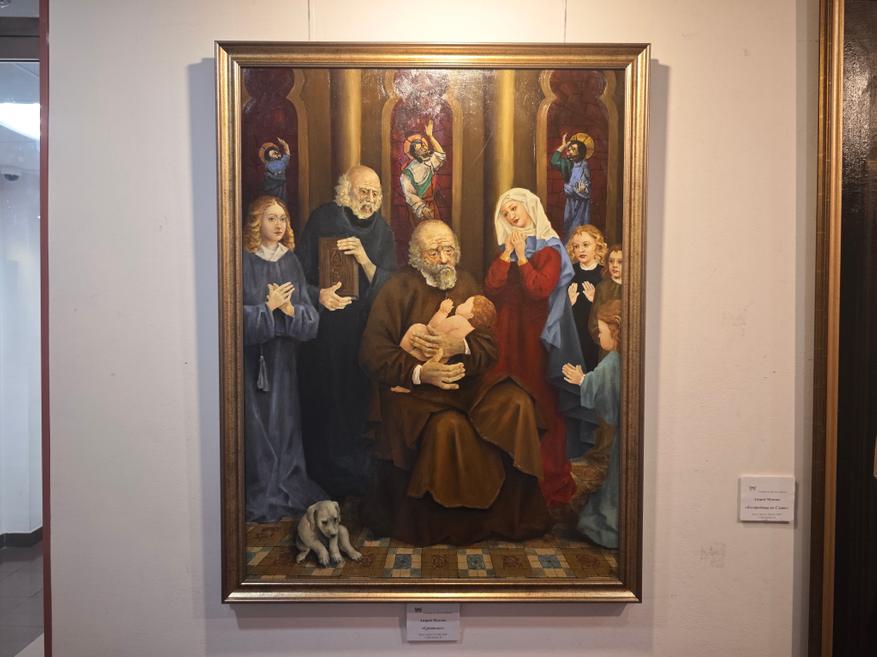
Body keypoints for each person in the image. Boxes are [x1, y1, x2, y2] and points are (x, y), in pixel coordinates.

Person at [359, 220, 552, 546]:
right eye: (434, 251)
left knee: (516, 403)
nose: (444, 258)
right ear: (417, 256)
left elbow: (488, 347)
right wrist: (421, 372)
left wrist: (459, 345)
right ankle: (451, 525)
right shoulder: (397, 288)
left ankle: (514, 514)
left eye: (449, 250)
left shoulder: (465, 283)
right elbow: (372, 353)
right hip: (417, 397)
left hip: (467, 388)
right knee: (449, 427)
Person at [297, 165, 397, 499]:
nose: (369, 199)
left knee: (354, 404)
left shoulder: (383, 231)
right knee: (322, 401)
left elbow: (390, 288)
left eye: (375, 193)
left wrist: (364, 260)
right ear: (346, 191)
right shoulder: (323, 218)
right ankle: (319, 482)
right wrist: (319, 295)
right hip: (322, 333)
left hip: (362, 332)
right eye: (363, 191)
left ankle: (351, 485)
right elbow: (297, 274)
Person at [484, 188, 577, 507]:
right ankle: (508, 475)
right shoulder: (508, 248)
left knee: (541, 401)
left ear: (529, 208)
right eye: (505, 212)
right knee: (505, 396)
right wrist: (507, 255)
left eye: (514, 209)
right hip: (507, 332)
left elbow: (538, 289)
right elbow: (492, 287)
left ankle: (545, 479)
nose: (511, 216)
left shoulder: (550, 249)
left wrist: (522, 257)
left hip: (535, 337)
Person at [242, 195, 326, 522]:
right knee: (256, 427)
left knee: (285, 425)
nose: (279, 225)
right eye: (271, 218)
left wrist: (290, 310)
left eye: (282, 219)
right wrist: (268, 309)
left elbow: (309, 317)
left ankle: (286, 486)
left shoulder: (290, 260)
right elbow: (231, 316)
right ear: (256, 223)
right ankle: (264, 490)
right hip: (252, 361)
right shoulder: (244, 261)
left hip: (283, 361)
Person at [562, 300, 622, 549]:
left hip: (623, 441)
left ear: (616, 331)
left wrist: (581, 380)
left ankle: (609, 526)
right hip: (623, 438)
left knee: (617, 487)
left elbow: (603, 387)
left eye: (602, 330)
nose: (598, 335)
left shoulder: (613, 361)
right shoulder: (621, 357)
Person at [566, 225, 607, 372]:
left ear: (597, 246)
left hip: (596, 335)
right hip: (575, 332)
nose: (581, 250)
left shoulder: (604, 274)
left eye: (585, 245)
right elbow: (560, 309)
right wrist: (569, 303)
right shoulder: (570, 273)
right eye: (576, 246)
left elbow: (611, 309)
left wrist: (595, 300)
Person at [400, 120, 446, 224]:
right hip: (419, 211)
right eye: (419, 148)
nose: (424, 148)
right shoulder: (407, 173)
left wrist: (430, 136)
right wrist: (423, 209)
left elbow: (440, 155)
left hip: (432, 207)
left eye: (423, 146)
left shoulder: (429, 163)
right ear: (413, 152)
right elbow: (410, 195)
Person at [550, 132, 593, 235]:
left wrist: (583, 189)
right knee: (568, 227)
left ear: (580, 152)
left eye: (573, 149)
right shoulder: (567, 164)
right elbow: (554, 162)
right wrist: (563, 146)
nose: (569, 150)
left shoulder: (584, 166)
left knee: (579, 228)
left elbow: (587, 185)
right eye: (569, 148)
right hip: (570, 202)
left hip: (581, 203)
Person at [588, 243, 622, 362]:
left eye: (620, 262)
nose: (615, 265)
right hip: (607, 348)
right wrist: (606, 340)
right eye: (611, 261)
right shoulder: (602, 288)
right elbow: (593, 322)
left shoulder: (632, 287)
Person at [259, 137, 291, 202]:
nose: (276, 153)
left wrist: (286, 146)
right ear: (268, 156)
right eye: (273, 153)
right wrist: (286, 147)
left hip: (281, 187)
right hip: (273, 187)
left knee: (282, 201)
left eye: (276, 151)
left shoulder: (279, 162)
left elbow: (286, 158)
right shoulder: (269, 165)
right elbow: (282, 164)